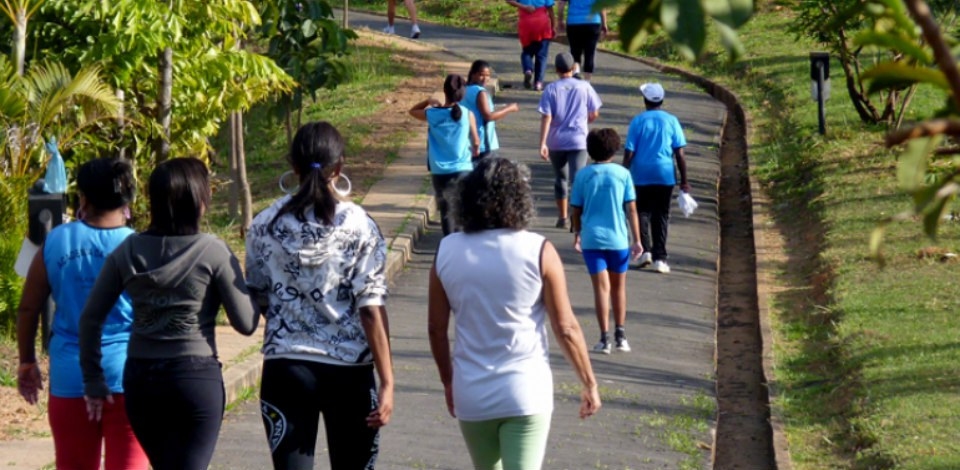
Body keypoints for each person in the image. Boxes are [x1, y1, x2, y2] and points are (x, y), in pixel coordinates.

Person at [79, 157, 260, 470]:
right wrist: (254, 289)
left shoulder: (127, 250)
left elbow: (90, 319)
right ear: (197, 200)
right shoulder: (213, 251)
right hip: (194, 378)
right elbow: (246, 323)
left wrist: (93, 380)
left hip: (142, 380)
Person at [428, 157, 601, 470]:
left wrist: (448, 382)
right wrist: (589, 382)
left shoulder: (447, 250)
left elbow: (436, 330)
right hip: (525, 389)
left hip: (472, 391)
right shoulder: (539, 250)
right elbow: (565, 327)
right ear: (520, 199)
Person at [245, 121, 394, 470]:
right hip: (349, 372)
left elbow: (259, 293)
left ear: (292, 166)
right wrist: (387, 381)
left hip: (286, 368)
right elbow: (370, 307)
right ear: (339, 167)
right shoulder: (361, 225)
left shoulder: (264, 223)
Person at [16, 158, 148, 470]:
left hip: (70, 376)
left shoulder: (57, 240)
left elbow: (28, 307)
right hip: (128, 375)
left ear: (83, 199)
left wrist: (27, 361)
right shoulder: (138, 246)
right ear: (126, 199)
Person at [570, 129, 642, 354]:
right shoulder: (623, 174)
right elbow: (631, 209)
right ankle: (621, 335)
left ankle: (604, 339)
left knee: (601, 289)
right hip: (618, 239)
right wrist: (637, 240)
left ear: (590, 150)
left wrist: (577, 233)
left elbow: (576, 209)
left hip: (592, 239)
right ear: (614, 149)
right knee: (619, 288)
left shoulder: (583, 175)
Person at [623, 82, 689, 274]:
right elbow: (680, 154)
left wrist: (623, 173)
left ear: (645, 100)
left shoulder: (638, 121)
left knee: (642, 212)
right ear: (662, 100)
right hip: (664, 174)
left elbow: (629, 152)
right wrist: (684, 181)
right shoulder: (671, 121)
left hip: (640, 174)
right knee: (661, 215)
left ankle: (645, 251)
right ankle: (660, 258)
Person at [409, 74, 480, 235]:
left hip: (439, 170)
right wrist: (475, 150)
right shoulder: (467, 114)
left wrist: (428, 101)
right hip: (463, 169)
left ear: (444, 91)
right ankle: (462, 242)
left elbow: (412, 111)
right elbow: (476, 141)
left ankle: (449, 243)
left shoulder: (433, 113)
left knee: (446, 211)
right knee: (462, 209)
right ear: (462, 94)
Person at [538, 51, 602, 229]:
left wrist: (542, 143)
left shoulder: (551, 89)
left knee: (561, 179)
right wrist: (586, 120)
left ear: (556, 69)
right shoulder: (584, 86)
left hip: (556, 141)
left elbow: (546, 117)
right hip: (579, 140)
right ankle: (577, 218)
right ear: (573, 68)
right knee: (578, 180)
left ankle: (563, 217)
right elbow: (595, 112)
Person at [462, 60, 520, 160]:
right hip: (483, 144)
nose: (485, 78)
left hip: (467, 141)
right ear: (473, 74)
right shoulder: (480, 92)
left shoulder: (464, 90)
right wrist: (509, 108)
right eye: (481, 75)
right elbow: (488, 116)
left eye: (488, 75)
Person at [506, 0, 556, 91]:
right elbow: (550, 10)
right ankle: (538, 83)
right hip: (542, 24)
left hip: (526, 23)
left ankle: (528, 70)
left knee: (527, 51)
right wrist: (553, 26)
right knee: (542, 56)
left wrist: (523, 7)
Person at [557, 0, 608, 80]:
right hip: (593, 22)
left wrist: (560, 20)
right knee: (590, 53)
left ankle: (576, 75)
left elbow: (561, 4)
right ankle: (587, 81)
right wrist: (604, 23)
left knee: (575, 52)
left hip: (574, 23)